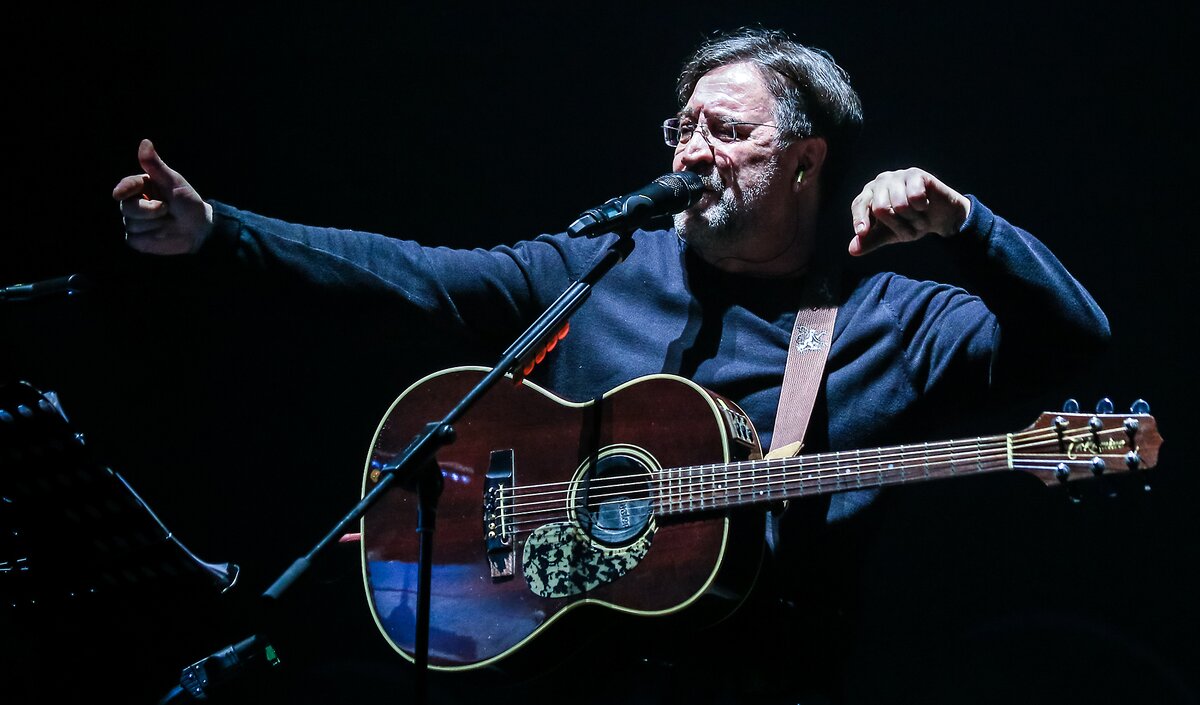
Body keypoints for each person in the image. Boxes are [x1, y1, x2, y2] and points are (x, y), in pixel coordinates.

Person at [111, 27, 1109, 705]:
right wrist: (219, 230)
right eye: (683, 128)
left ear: (805, 161)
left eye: (726, 132)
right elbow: (415, 277)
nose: (691, 153)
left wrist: (969, 227)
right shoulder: (602, 267)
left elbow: (1074, 340)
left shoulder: (888, 316)